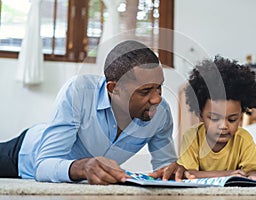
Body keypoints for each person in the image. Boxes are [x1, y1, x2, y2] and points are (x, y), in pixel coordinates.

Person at [0, 40, 184, 185]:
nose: (157, 99)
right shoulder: (80, 91)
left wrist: (172, 171)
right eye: (145, 91)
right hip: (21, 155)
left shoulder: (161, 113)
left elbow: (165, 167)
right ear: (114, 89)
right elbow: (43, 165)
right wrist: (83, 166)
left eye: (159, 87)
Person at [177, 56, 256, 185]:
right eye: (215, 118)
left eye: (232, 119)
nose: (224, 126)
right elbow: (189, 174)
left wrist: (254, 177)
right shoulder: (192, 137)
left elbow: (251, 172)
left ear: (241, 116)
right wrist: (228, 174)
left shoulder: (243, 139)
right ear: (200, 115)